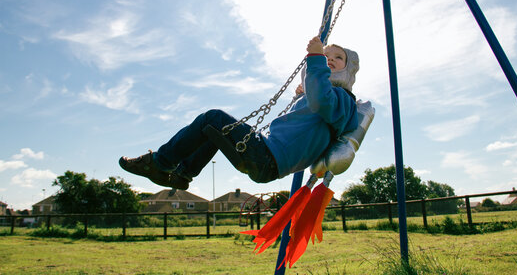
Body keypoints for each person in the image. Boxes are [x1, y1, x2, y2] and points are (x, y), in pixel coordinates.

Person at [119, 36, 360, 190]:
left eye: (338, 58)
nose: (329, 59)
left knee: (213, 117)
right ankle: (183, 174)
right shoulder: (326, 96)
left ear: (349, 69)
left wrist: (316, 57)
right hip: (269, 157)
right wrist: (300, 96)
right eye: (326, 56)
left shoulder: (343, 99)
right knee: (212, 130)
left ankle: (160, 163)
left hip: (270, 158)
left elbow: (321, 101)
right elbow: (307, 121)